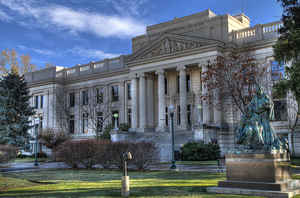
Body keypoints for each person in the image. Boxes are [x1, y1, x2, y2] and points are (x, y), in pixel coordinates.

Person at [237, 85, 285, 151]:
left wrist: (265, 106)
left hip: (264, 115)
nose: (257, 92)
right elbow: (250, 105)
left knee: (267, 129)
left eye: (258, 90)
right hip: (257, 116)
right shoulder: (255, 98)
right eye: (256, 91)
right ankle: (256, 144)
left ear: (261, 90)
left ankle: (268, 144)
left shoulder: (265, 96)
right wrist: (249, 108)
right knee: (256, 129)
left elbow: (270, 104)